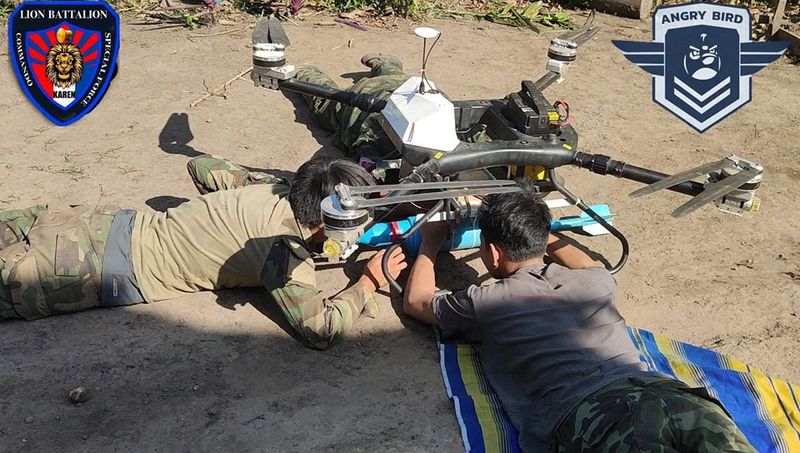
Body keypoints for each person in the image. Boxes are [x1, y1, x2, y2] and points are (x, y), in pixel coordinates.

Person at [402, 180, 755, 452]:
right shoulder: (595, 282)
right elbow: (588, 262)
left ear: (492, 253)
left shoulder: (488, 302)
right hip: (674, 395)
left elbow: (416, 302)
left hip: (599, 418)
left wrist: (430, 241)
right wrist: (542, 233)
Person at [0, 155, 407, 350]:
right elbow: (322, 331)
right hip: (77, 270)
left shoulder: (271, 189)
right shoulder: (283, 252)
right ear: (325, 221)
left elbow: (200, 166)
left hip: (86, 224)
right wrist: (368, 282)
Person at [294, 54, 409, 163]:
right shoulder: (377, 144)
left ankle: (385, 63)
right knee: (325, 103)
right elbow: (358, 169)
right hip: (363, 99)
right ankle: (304, 72)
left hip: (406, 89)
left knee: (393, 80)